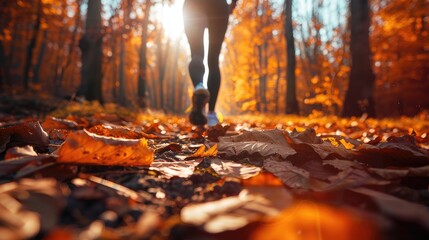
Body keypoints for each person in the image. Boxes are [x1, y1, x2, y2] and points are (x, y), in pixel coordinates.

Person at [183, 0, 238, 126]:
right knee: (213, 60)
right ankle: (212, 114)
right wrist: (233, 4)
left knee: (196, 53)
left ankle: (199, 86)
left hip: (193, 5)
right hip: (219, 6)